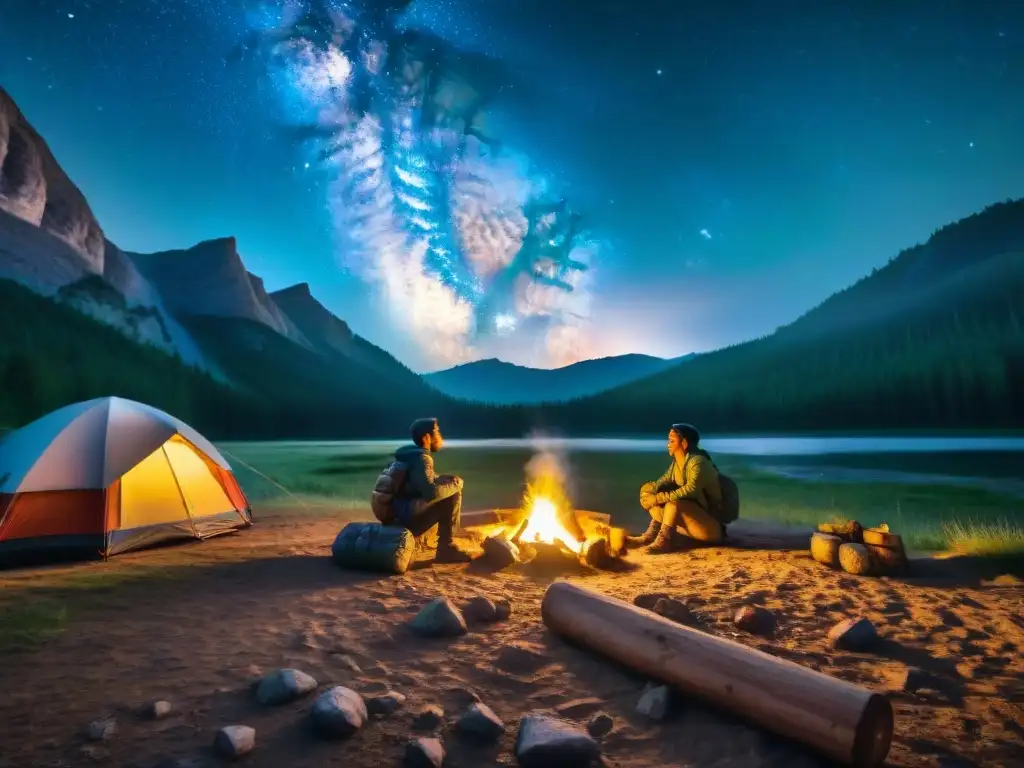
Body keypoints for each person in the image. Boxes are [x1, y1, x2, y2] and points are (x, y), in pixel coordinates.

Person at [626, 423, 726, 553]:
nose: (668, 444)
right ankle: (650, 536)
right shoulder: (676, 464)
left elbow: (690, 490)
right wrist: (647, 493)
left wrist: (657, 498)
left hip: (710, 528)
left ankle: (664, 541)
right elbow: (659, 484)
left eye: (672, 440)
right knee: (652, 491)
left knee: (673, 504)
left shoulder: (698, 462)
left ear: (684, 443)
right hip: (691, 522)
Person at [392, 417, 473, 563]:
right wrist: (457, 484)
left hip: (398, 514)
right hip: (407, 519)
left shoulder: (410, 456)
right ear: (426, 437)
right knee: (453, 494)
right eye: (437, 432)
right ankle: (446, 548)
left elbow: (420, 482)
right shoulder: (422, 459)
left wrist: (443, 479)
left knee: (448, 486)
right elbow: (431, 493)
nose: (440, 437)